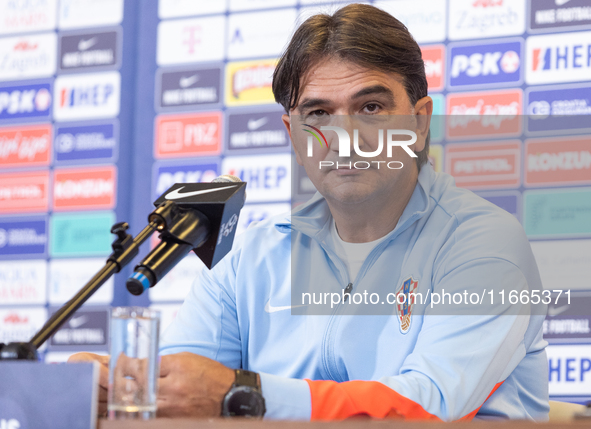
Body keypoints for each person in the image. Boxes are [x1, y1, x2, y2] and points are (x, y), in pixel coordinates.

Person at [70, 3, 549, 420]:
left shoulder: (484, 244)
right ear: (292, 134)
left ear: (419, 122)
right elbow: (177, 393)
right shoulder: (249, 258)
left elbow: (432, 404)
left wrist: (245, 397)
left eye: (372, 107)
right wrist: (122, 388)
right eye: (318, 114)